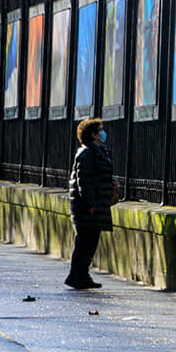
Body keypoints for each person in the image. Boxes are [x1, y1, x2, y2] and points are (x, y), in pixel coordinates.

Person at [66, 117, 115, 290]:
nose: (102, 133)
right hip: (87, 207)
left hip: (95, 204)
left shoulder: (98, 151)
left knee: (90, 241)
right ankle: (76, 276)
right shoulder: (87, 153)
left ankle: (82, 275)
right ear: (92, 135)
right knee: (84, 242)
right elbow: (83, 180)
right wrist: (90, 203)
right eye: (98, 130)